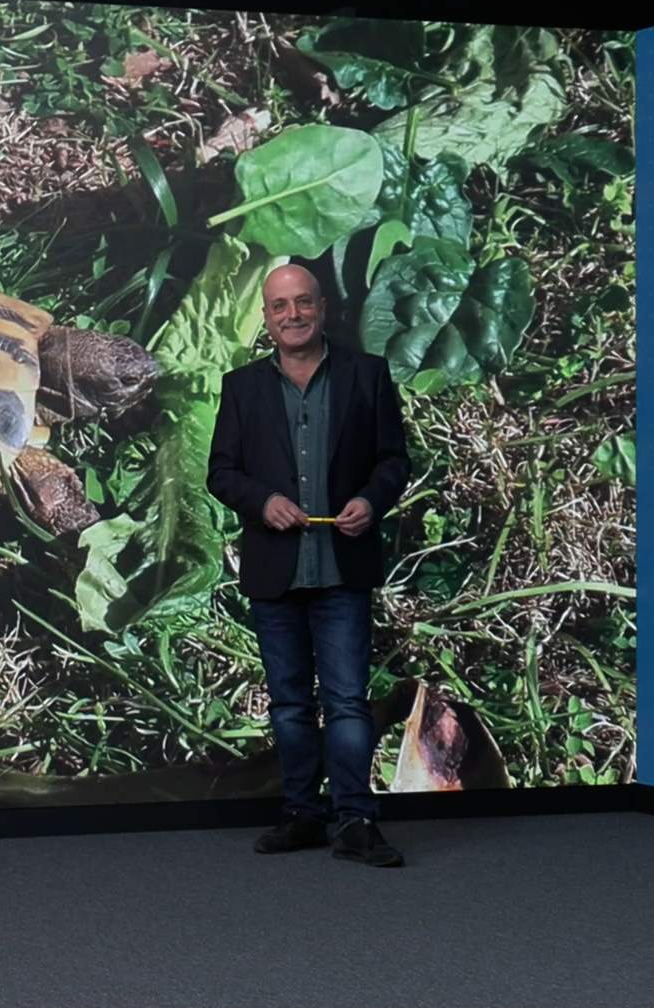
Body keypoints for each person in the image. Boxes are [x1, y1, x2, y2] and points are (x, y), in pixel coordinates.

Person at [206, 262, 410, 866]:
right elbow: (221, 472)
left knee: (347, 700)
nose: (292, 315)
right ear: (266, 317)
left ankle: (354, 819)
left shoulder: (366, 375)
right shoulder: (241, 386)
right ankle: (302, 813)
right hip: (276, 570)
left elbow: (393, 460)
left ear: (322, 308)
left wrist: (371, 502)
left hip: (342, 568)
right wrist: (260, 501)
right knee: (290, 702)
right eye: (279, 306)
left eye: (303, 303)